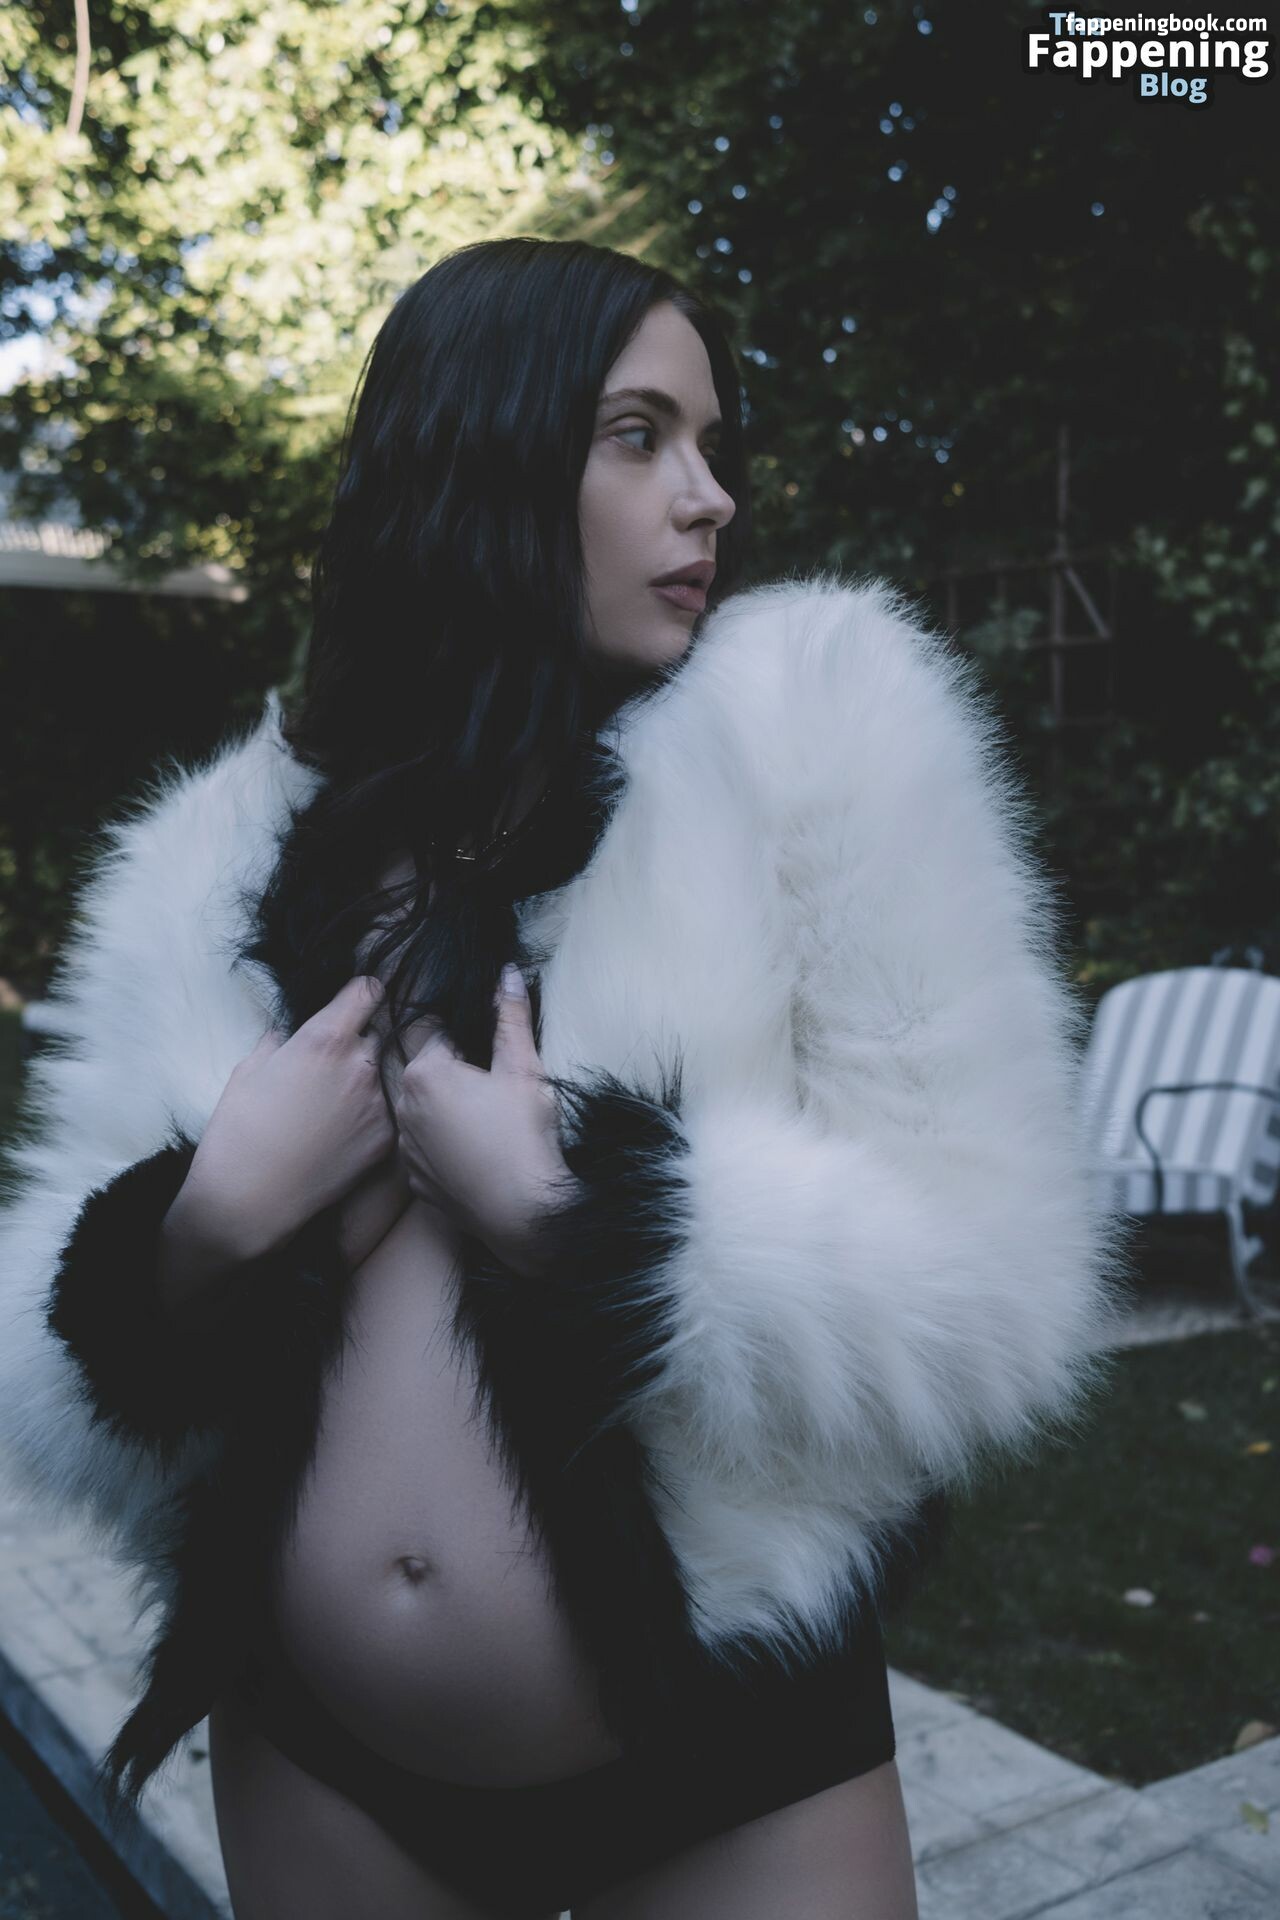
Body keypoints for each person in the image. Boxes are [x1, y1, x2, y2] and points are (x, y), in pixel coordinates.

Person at [0, 238, 1131, 1919]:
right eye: (640, 436)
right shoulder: (223, 843)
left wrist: (587, 1220)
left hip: (731, 1747)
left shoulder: (817, 726)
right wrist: (202, 1225)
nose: (712, 496)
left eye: (713, 445)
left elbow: (1003, 1292)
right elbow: (46, 1371)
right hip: (313, 1752)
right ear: (482, 453)